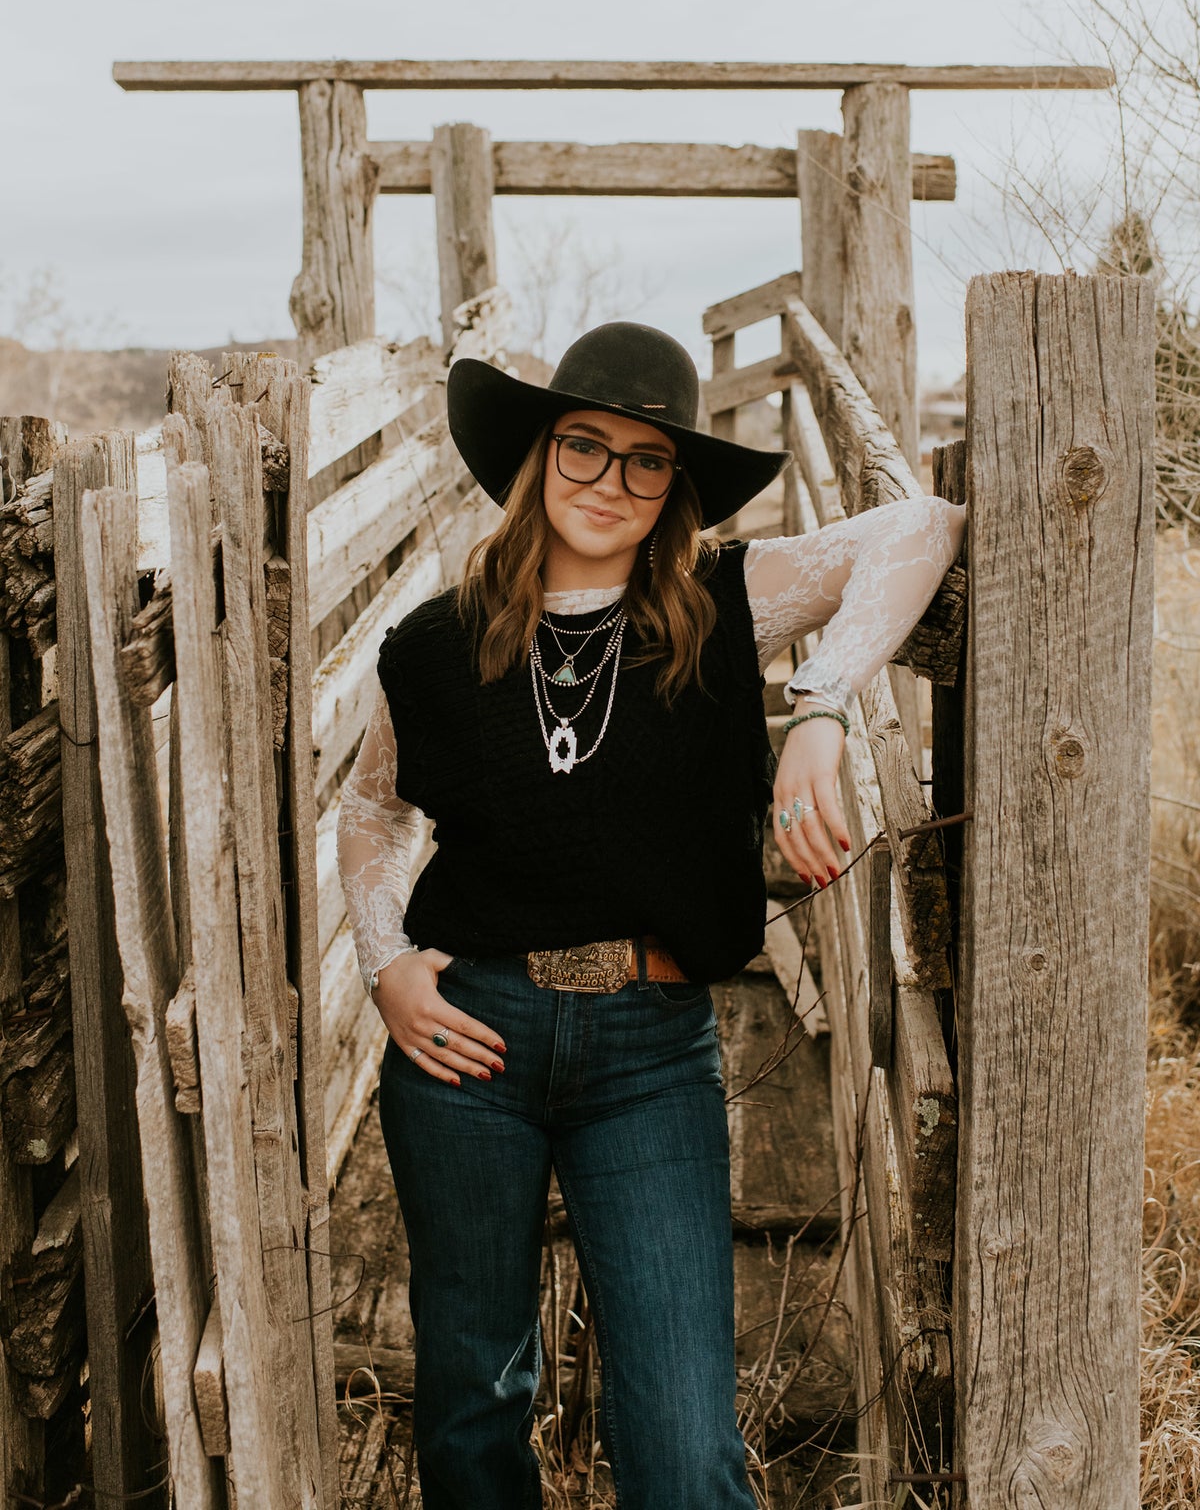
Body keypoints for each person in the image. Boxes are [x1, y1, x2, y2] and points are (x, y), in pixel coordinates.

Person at [337, 321, 966, 1510]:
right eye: (584, 448)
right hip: (470, 1037)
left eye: (646, 461)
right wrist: (387, 964)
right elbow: (373, 809)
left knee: (683, 1446)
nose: (610, 483)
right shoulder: (435, 643)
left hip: (650, 1051)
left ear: (675, 486)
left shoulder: (721, 608)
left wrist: (823, 709)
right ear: (536, 456)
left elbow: (921, 526)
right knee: (474, 1403)